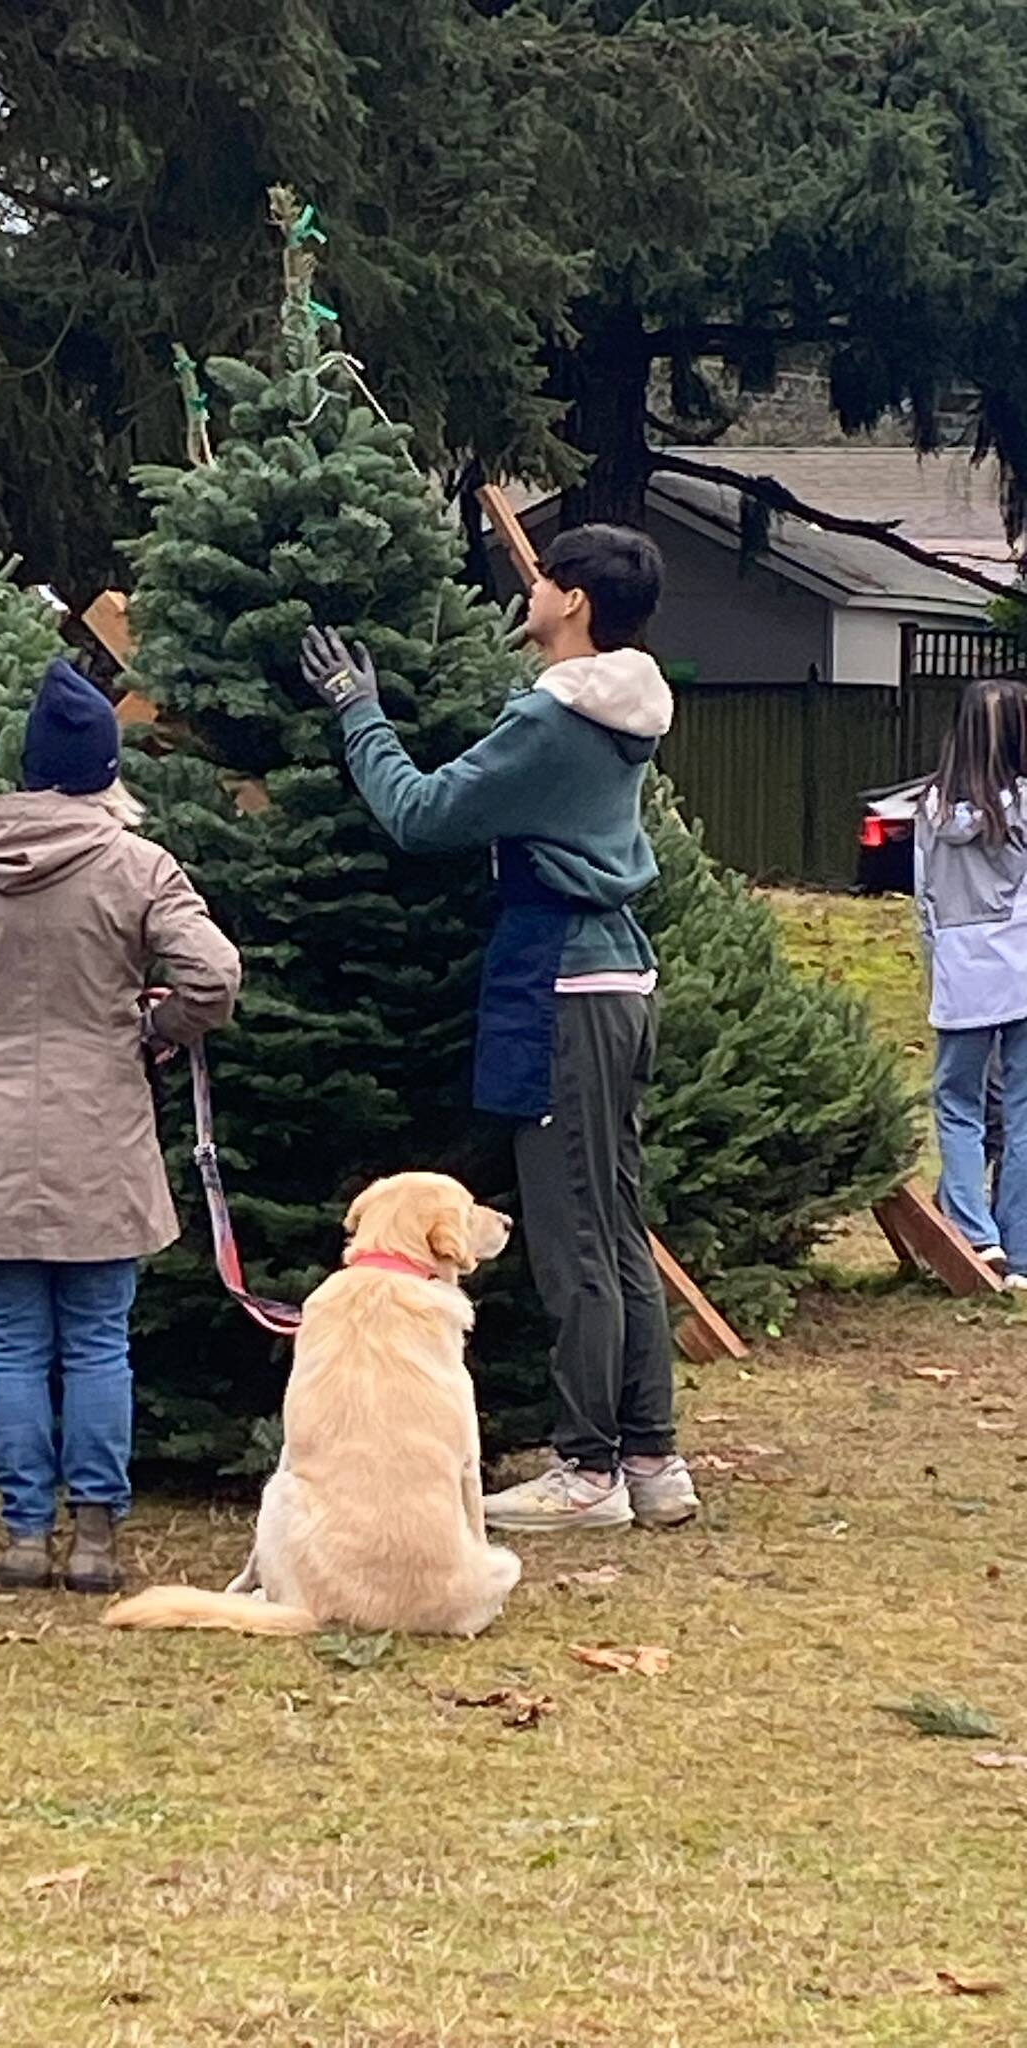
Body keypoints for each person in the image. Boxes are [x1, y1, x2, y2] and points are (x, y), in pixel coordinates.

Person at [299, 524, 696, 1534]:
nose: (529, 592)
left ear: (570, 603)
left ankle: (586, 1470)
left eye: (542, 581)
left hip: (563, 985)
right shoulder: (620, 708)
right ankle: (652, 1457)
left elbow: (425, 812)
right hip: (617, 978)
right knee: (613, 1219)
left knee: (572, 1233)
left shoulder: (555, 720)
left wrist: (359, 713)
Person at [0, 657, 240, 1593]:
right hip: (102, 1127)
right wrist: (153, 1026)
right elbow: (215, 975)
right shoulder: (138, 865)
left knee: (14, 1339)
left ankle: (20, 1533)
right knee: (96, 1340)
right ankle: (94, 1540)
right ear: (102, 769)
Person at [913, 676, 1027, 1283]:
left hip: (962, 973)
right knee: (1023, 1110)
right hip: (1024, 967)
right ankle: (1024, 1250)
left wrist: (933, 971)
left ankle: (975, 1235)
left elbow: (924, 900)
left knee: (958, 1105)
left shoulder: (930, 808)